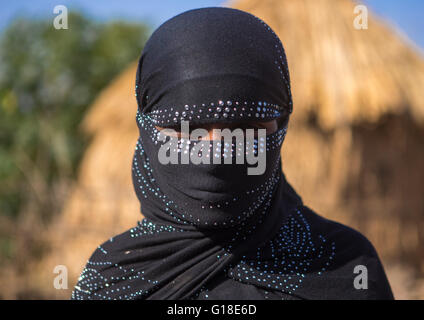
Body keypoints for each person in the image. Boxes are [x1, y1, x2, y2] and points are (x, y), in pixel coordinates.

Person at [72, 7, 393, 300]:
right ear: (147, 128)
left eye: (246, 126)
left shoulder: (346, 267)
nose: (217, 151)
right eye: (188, 127)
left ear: (281, 125)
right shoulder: (110, 282)